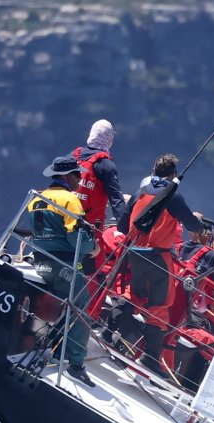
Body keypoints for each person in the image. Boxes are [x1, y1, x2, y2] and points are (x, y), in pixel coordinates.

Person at [123, 153, 205, 375]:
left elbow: (123, 222)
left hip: (133, 253)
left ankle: (111, 333)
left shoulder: (141, 190)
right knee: (159, 308)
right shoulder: (173, 196)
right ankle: (149, 360)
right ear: (173, 175)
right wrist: (198, 221)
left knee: (135, 295)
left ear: (154, 170)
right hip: (158, 257)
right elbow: (192, 224)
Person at [29, 155, 99, 387]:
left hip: (42, 263)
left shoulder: (36, 198)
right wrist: (93, 247)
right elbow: (77, 239)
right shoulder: (70, 200)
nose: (80, 179)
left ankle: (56, 352)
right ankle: (76, 366)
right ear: (67, 177)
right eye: (77, 174)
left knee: (62, 306)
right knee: (80, 310)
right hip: (64, 266)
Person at [71, 119, 127, 229]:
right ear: (109, 139)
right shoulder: (106, 165)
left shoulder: (72, 157)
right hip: (88, 230)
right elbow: (116, 201)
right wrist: (126, 229)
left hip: (64, 223)